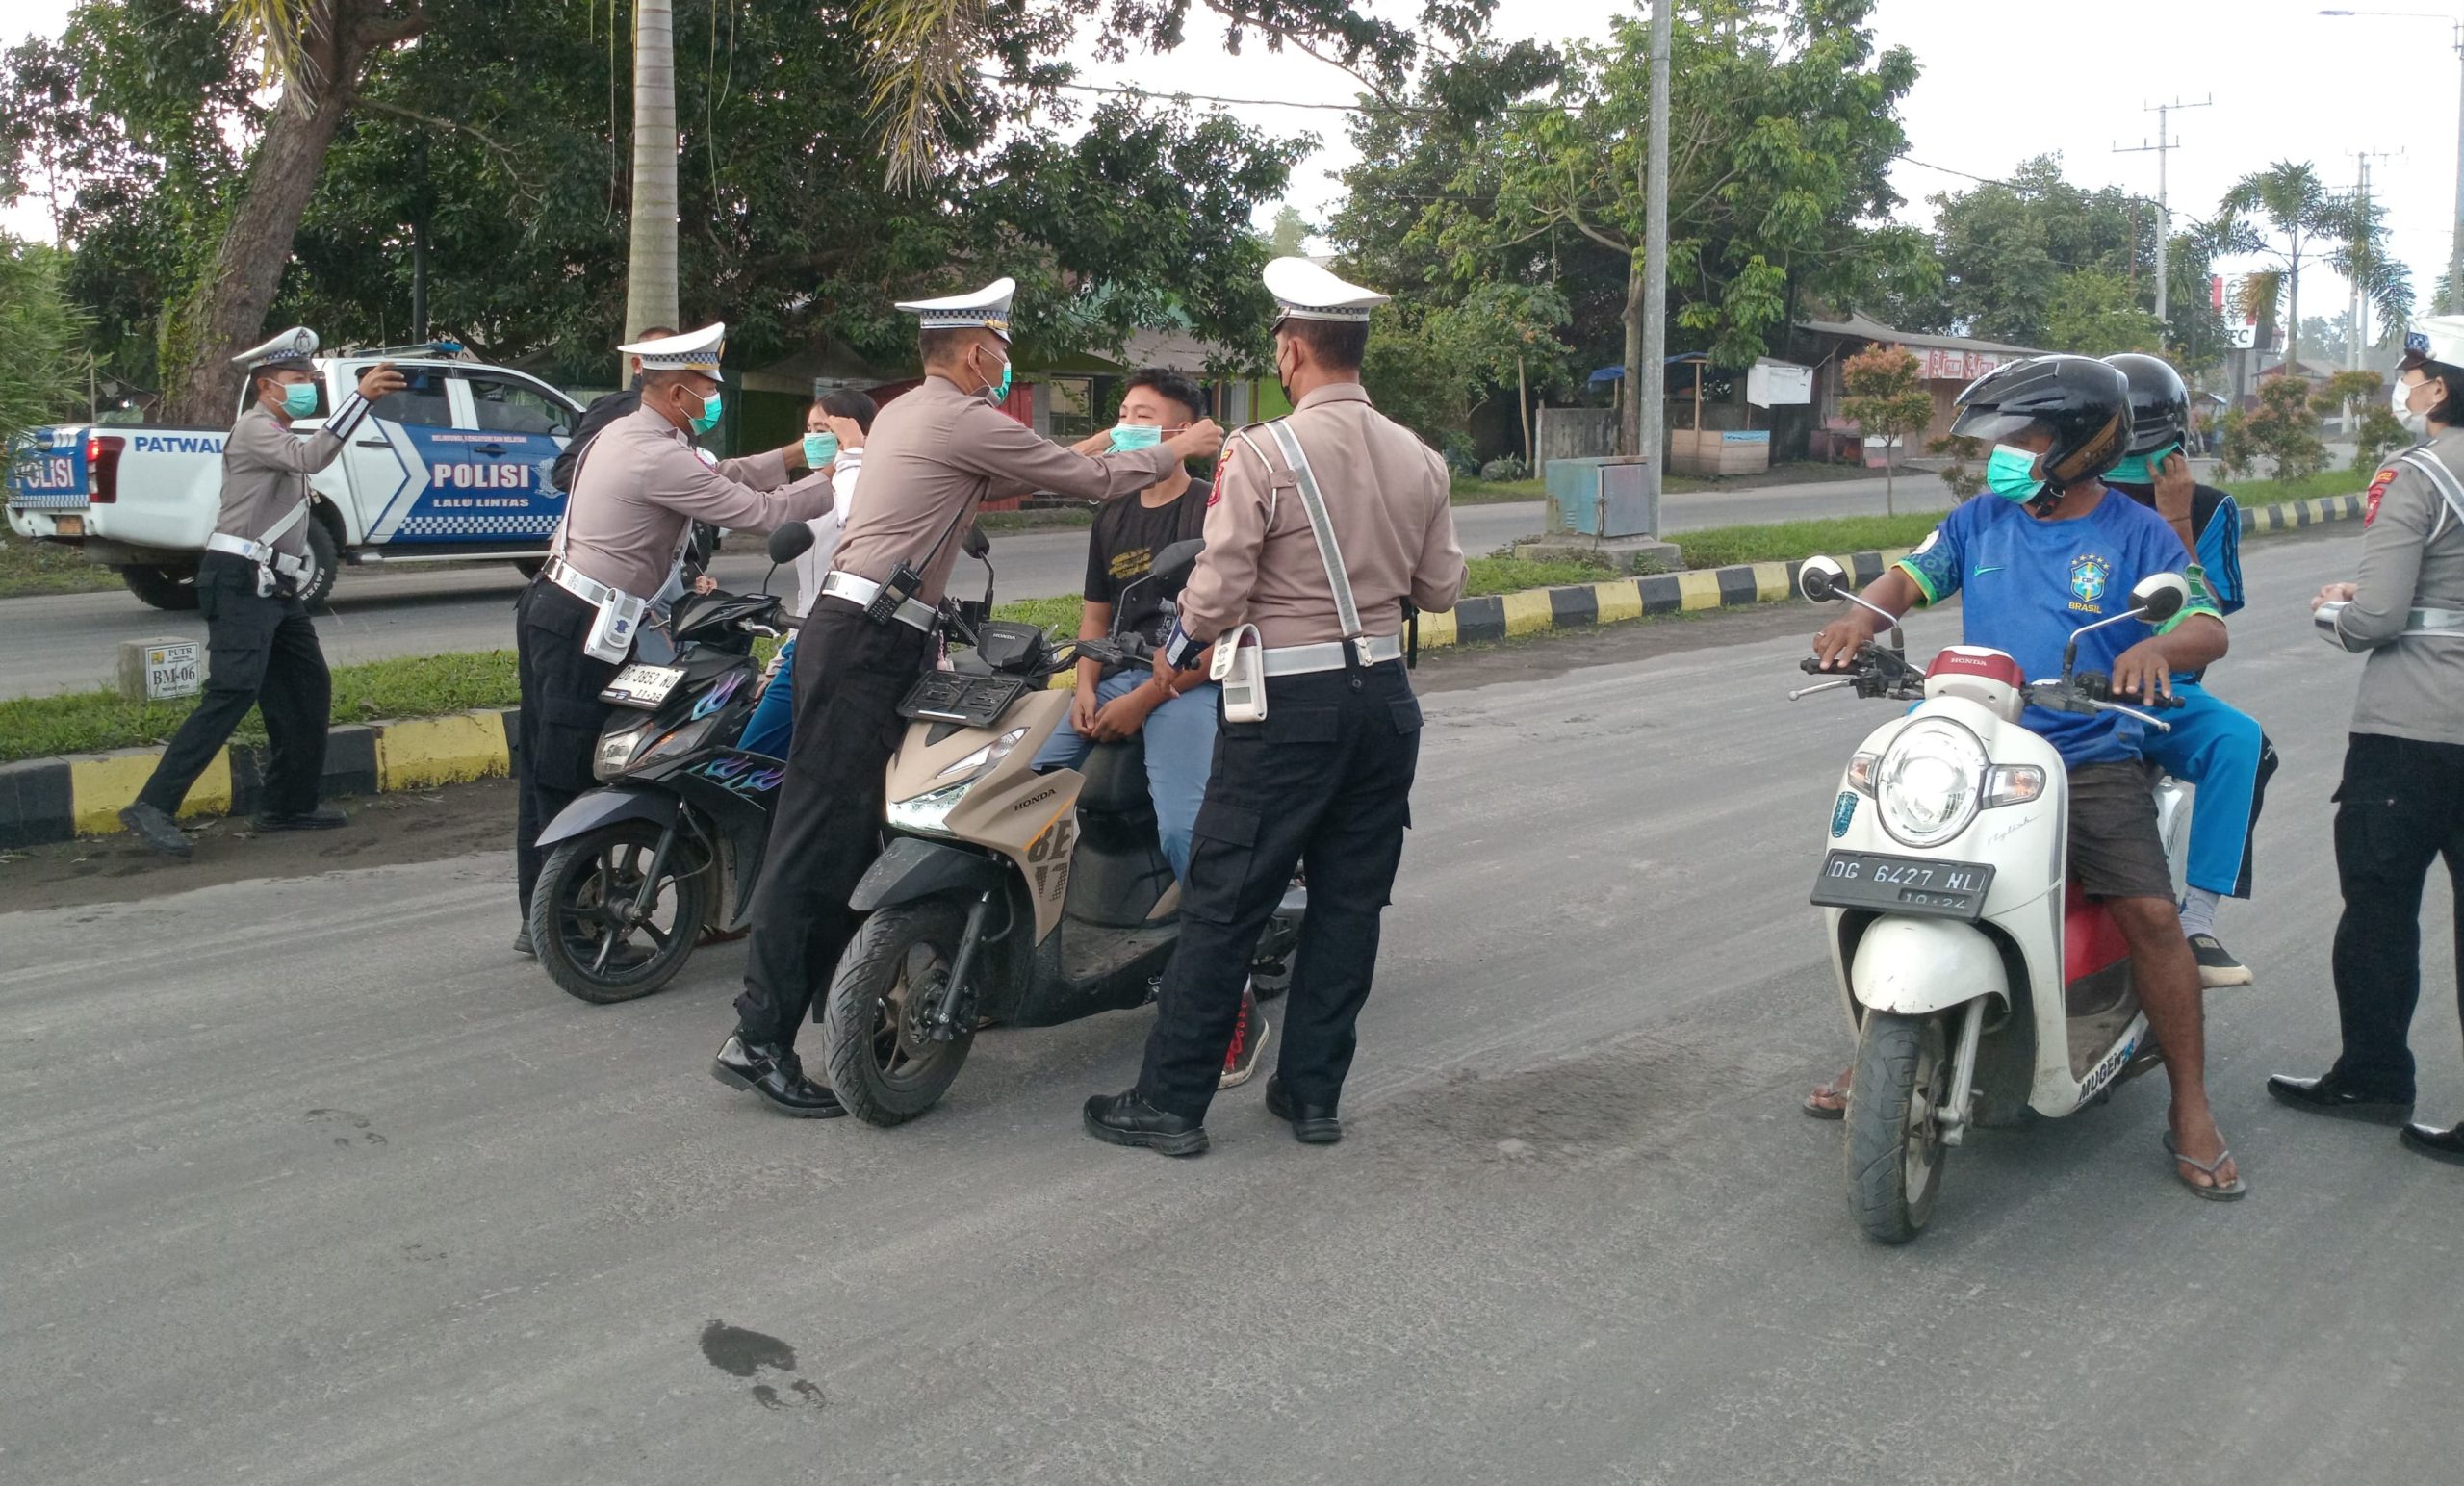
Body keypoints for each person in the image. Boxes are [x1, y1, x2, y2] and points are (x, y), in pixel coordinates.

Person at [715, 277, 1223, 1118]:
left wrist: (1109, 443)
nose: (1004, 356)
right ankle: (759, 1036)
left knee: (859, 828)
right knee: (818, 837)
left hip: (874, 633)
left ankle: (849, 998)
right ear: (979, 349)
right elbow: (1087, 481)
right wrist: (1178, 445)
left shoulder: (913, 412)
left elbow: (997, 484)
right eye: (1002, 342)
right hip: (868, 640)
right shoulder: (959, 415)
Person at [1803, 354, 2246, 1199]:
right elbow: (1910, 576)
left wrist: (2156, 645)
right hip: (1971, 746)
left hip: (2088, 754)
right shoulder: (1982, 519)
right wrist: (1859, 619)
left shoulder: (2136, 533)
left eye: (2029, 434)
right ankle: (1880, 1053)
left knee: (2153, 916)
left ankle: (2190, 1105)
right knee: (1877, 874)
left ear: (2078, 445)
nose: (2010, 449)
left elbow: (2205, 626)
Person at [1082, 257, 1467, 1157]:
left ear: (1293, 351)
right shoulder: (1422, 457)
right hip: (1384, 704)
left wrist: (1169, 659)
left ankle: (1171, 1105)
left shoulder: (1261, 451)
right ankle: (1312, 1095)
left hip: (1286, 705)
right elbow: (1441, 589)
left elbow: (1215, 596)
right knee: (1348, 906)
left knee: (1224, 902)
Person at [513, 322, 834, 954]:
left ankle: (550, 915)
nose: (714, 399)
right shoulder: (653, 452)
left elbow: (723, 474)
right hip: (581, 619)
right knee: (566, 765)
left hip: (569, 611)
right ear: (679, 390)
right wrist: (846, 479)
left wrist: (797, 456)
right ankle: (561, 925)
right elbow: (760, 513)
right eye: (708, 387)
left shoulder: (637, 432)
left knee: (560, 758)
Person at [1035, 368, 1269, 1088]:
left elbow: (1228, 630)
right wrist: (1084, 683)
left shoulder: (1213, 509)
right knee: (1026, 788)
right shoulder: (1113, 512)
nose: (1128, 424)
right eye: (1124, 412)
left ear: (1180, 434)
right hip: (1118, 673)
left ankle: (1233, 995)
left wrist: (1148, 698)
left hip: (1191, 682)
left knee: (1182, 827)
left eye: (1144, 415)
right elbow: (1095, 618)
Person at [2268, 318, 2464, 1166]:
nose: (2407, 383)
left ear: (2442, 388)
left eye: (2414, 370)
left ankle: (2375, 1074)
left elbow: (2380, 618)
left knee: (2380, 908)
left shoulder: (2417, 475)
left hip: (2413, 734)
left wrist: (2333, 613)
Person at [117, 329, 406, 858]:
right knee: (233, 693)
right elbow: (313, 457)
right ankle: (153, 805)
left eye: (311, 379)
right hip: (239, 581)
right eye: (299, 380)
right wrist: (360, 398)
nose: (309, 388)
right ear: (267, 387)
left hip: (275, 586)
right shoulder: (255, 428)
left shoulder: (277, 429)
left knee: (305, 688)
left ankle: (287, 805)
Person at [2101, 352, 2277, 987]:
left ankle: (2197, 920)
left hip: (2160, 691)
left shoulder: (2209, 507)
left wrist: (2175, 516)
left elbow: (2205, 619)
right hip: (2061, 682)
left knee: (2243, 743)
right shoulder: (2062, 497)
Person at [737, 389, 877, 760]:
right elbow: (808, 594)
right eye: (809, 429)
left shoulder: (870, 494)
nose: (813, 439)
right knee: (757, 751)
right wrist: (778, 663)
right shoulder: (807, 497)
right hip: (803, 644)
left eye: (825, 429)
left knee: (766, 755)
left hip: (846, 646)